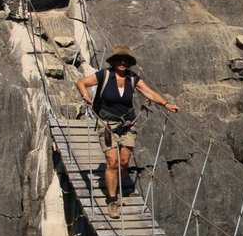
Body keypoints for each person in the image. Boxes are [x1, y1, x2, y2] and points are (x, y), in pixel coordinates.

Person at [75, 45, 180, 219]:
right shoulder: (105, 75)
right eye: (119, 60)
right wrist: (85, 95)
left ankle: (114, 182)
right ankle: (112, 201)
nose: (122, 63)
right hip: (107, 124)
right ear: (114, 61)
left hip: (128, 124)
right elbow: (81, 82)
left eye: (126, 60)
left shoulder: (133, 78)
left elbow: (149, 93)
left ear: (129, 63)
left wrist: (166, 104)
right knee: (112, 162)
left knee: (124, 162)